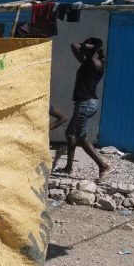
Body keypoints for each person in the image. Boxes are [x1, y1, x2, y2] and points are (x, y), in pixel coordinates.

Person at [57, 37, 111, 179]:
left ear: (91, 49)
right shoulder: (98, 62)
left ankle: (103, 165)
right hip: (87, 102)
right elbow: (75, 47)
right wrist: (97, 48)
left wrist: (90, 46)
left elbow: (74, 45)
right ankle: (69, 167)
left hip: (85, 103)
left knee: (81, 137)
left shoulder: (91, 63)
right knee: (70, 133)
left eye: (87, 47)